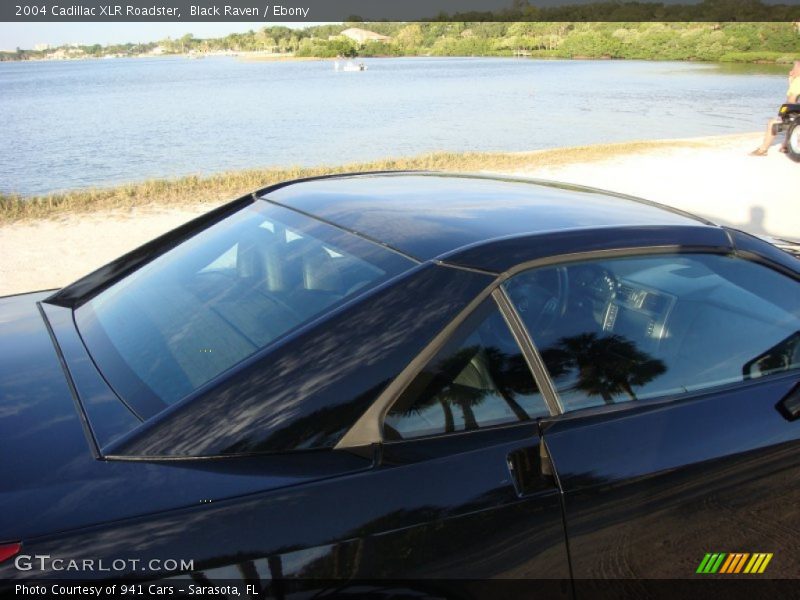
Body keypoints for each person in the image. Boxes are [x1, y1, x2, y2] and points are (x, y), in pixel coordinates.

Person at [750, 61, 800, 156]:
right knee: (790, 119)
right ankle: (785, 146)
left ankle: (763, 149)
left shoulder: (798, 81)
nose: (791, 70)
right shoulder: (796, 82)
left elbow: (791, 101)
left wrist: (782, 114)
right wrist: (791, 81)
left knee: (773, 123)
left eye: (794, 68)